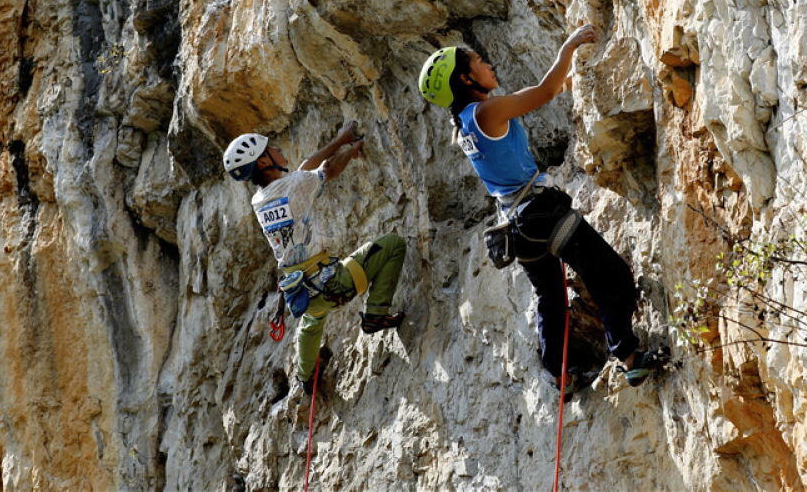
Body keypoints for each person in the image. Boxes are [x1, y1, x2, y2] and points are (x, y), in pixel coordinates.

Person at [418, 24, 669, 397]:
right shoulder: (486, 111)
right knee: (611, 275)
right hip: (541, 213)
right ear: (465, 78)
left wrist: (574, 79)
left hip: (518, 227)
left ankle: (560, 376)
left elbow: (539, 93)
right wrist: (568, 46)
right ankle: (629, 358)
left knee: (550, 298)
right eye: (479, 61)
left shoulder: (466, 124)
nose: (488, 64)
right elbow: (544, 92)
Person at [223, 123, 406, 393]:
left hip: (302, 293)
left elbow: (303, 171)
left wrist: (339, 140)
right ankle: (375, 315)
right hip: (334, 285)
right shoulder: (293, 186)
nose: (276, 148)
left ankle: (306, 377)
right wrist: (351, 148)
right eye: (270, 148)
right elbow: (326, 171)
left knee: (312, 322)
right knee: (392, 244)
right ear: (263, 160)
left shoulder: (261, 200)